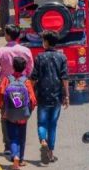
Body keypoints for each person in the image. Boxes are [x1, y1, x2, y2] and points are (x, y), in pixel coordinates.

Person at [0, 25, 34, 158]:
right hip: (23, 88)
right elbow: (30, 70)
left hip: (6, 88)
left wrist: (1, 75)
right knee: (22, 120)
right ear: (19, 36)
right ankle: (20, 151)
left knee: (5, 118)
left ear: (7, 36)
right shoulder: (26, 51)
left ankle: (8, 146)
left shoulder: (0, 52)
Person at [30, 30, 69, 165]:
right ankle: (51, 154)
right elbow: (64, 78)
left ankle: (43, 141)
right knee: (52, 125)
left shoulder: (39, 57)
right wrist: (67, 96)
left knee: (42, 123)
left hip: (42, 95)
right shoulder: (62, 57)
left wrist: (30, 92)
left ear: (46, 42)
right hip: (57, 96)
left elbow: (34, 78)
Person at [0, 56, 36, 169]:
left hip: (9, 115)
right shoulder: (26, 81)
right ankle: (21, 160)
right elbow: (33, 100)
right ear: (24, 68)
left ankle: (15, 157)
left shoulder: (7, 80)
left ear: (13, 67)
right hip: (23, 115)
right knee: (22, 137)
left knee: (13, 137)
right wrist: (28, 111)